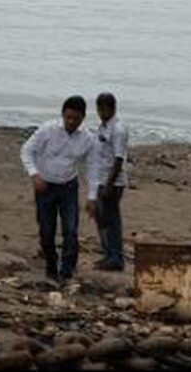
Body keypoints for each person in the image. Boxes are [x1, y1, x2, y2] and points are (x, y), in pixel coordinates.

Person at [20, 95, 96, 283]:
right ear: (62, 115)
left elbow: (94, 167)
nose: (70, 122)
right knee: (47, 230)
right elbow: (27, 150)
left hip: (69, 187)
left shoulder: (88, 139)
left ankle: (67, 272)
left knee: (70, 230)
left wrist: (93, 195)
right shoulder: (48, 130)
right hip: (44, 186)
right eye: (67, 117)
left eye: (75, 119)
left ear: (83, 118)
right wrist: (34, 174)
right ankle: (51, 267)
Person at [87, 92, 129, 271]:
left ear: (113, 108)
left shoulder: (118, 129)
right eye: (99, 109)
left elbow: (119, 159)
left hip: (113, 182)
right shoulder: (103, 127)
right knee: (102, 218)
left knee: (111, 220)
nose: (102, 112)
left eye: (105, 109)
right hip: (101, 179)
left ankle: (115, 257)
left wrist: (110, 185)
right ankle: (109, 254)